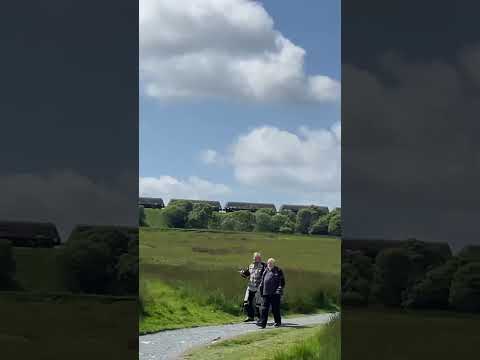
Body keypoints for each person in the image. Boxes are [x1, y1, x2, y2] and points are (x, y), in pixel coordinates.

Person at [257, 258, 285, 328]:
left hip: (275, 293)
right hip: (265, 293)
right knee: (264, 309)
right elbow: (262, 281)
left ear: (274, 264)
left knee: (275, 309)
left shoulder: (278, 270)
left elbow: (282, 282)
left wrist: (279, 290)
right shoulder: (265, 271)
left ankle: (277, 322)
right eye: (268, 263)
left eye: (271, 263)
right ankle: (263, 324)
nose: (269, 264)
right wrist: (261, 290)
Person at [239, 252, 266, 322]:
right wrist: (242, 273)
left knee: (258, 304)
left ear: (259, 259)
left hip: (258, 287)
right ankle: (250, 316)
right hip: (250, 286)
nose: (254, 259)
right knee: (246, 302)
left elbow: (266, 276)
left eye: (256, 258)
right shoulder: (250, 265)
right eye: (254, 258)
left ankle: (259, 317)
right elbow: (246, 274)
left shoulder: (264, 266)